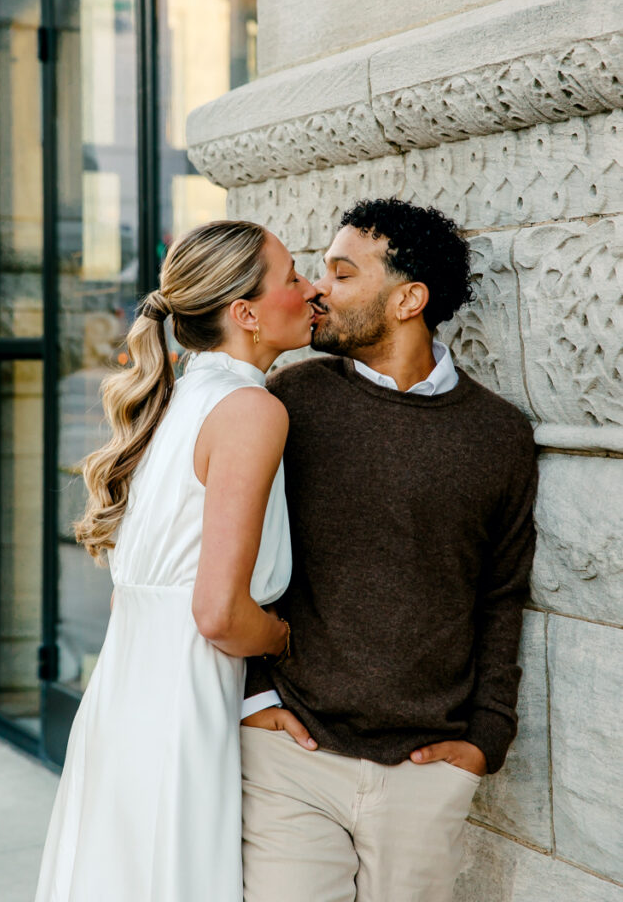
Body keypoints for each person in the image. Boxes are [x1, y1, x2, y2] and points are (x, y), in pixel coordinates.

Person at [241, 197, 538, 902]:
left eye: (341, 276)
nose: (316, 291)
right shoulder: (289, 400)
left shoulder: (497, 434)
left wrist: (484, 738)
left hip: (427, 767)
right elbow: (228, 552)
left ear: (408, 300)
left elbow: (501, 592)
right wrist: (252, 698)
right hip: (292, 753)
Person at [35, 220, 316, 902]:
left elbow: (133, 594)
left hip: (125, 698)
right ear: (245, 313)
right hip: (180, 713)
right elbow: (217, 613)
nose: (311, 291)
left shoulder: (177, 398)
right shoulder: (250, 409)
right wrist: (288, 638)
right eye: (292, 277)